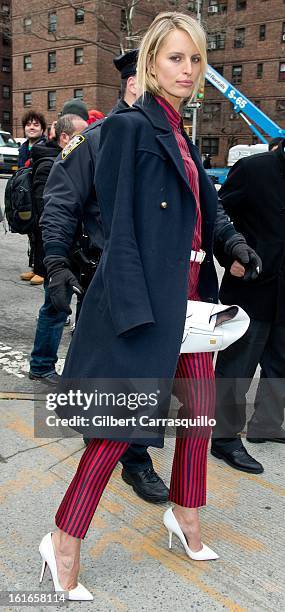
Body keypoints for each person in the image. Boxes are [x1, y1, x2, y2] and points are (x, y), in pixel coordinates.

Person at [38, 12, 224, 599]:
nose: (187, 70)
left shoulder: (179, 133)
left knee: (199, 419)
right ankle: (62, 540)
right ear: (150, 63)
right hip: (145, 306)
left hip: (193, 301)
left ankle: (185, 516)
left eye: (194, 58)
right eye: (175, 58)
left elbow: (201, 214)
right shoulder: (129, 128)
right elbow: (118, 230)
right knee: (115, 432)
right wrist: (133, 312)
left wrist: (233, 248)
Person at [40, 49, 169, 505]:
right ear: (135, 82)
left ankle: (131, 455)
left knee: (145, 376)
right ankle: (119, 454)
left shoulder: (165, 139)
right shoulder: (95, 139)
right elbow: (60, 202)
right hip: (103, 279)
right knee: (107, 376)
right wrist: (55, 262)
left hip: (158, 282)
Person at [211, 139, 285, 474]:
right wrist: (229, 255)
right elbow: (216, 215)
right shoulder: (255, 170)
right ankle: (223, 439)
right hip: (252, 288)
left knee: (281, 366)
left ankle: (267, 424)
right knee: (236, 368)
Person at [28, 112, 88, 385]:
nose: (87, 140)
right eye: (80, 135)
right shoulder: (50, 165)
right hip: (58, 254)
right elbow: (50, 214)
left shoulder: (74, 164)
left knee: (72, 311)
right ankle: (41, 366)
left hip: (77, 252)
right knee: (55, 310)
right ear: (65, 138)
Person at [18, 111, 47, 284]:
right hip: (27, 195)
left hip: (39, 194)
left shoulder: (44, 146)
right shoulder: (23, 148)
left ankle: (43, 271)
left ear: (43, 129)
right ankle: (35, 267)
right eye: (28, 124)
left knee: (41, 232)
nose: (31, 127)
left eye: (36, 124)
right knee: (32, 234)